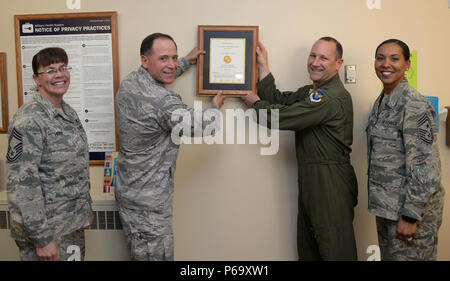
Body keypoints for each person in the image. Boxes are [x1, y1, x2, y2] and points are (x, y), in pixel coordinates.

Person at [241, 37, 358, 261]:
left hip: (330, 180)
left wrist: (255, 104)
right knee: (309, 248)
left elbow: (283, 116)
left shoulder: (330, 97)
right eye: (313, 55)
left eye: (324, 58)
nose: (315, 62)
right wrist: (264, 66)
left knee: (335, 250)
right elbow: (279, 100)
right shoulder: (311, 92)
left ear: (338, 64)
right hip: (312, 178)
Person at [115, 33, 225, 261]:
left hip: (132, 193)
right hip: (148, 205)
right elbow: (202, 126)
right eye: (164, 58)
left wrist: (186, 61)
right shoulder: (162, 102)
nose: (172, 64)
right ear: (145, 61)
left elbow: (161, 75)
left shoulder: (130, 83)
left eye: (174, 58)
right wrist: (214, 107)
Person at [6, 47, 93, 261]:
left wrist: (85, 209)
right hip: (48, 232)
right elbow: (22, 184)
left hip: (70, 225)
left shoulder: (67, 112)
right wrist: (42, 238)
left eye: (63, 68)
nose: (59, 74)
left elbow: (73, 168)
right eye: (51, 70)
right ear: (36, 79)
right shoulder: (28, 120)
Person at [367, 39, 445, 260]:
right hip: (387, 209)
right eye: (380, 58)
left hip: (409, 213)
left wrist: (411, 215)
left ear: (407, 64)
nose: (386, 64)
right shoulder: (383, 101)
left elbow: (425, 166)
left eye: (394, 58)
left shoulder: (414, 105)